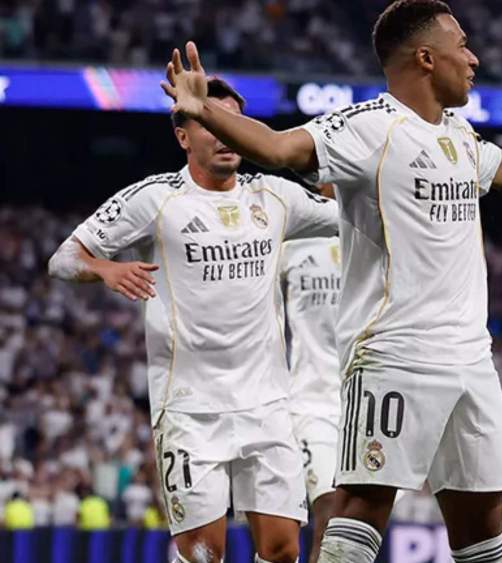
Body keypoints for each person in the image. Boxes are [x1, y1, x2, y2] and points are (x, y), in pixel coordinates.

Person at [159, 1, 502, 561]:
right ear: (426, 57)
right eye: (462, 46)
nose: (473, 59)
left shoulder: (457, 134)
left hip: (471, 356)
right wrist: (204, 110)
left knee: (481, 518)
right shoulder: (367, 128)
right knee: (360, 504)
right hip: (396, 352)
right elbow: (278, 147)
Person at [48, 77, 340, 563]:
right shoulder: (154, 200)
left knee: (284, 550)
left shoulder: (275, 197)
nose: (226, 135)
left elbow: (348, 215)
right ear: (184, 135)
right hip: (190, 412)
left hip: (268, 405)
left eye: (236, 124)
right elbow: (63, 258)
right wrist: (103, 267)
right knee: (204, 554)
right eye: (210, 122)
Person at [279, 186, 343, 563]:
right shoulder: (292, 242)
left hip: (366, 401)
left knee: (357, 527)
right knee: (329, 515)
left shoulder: (379, 236)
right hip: (310, 402)